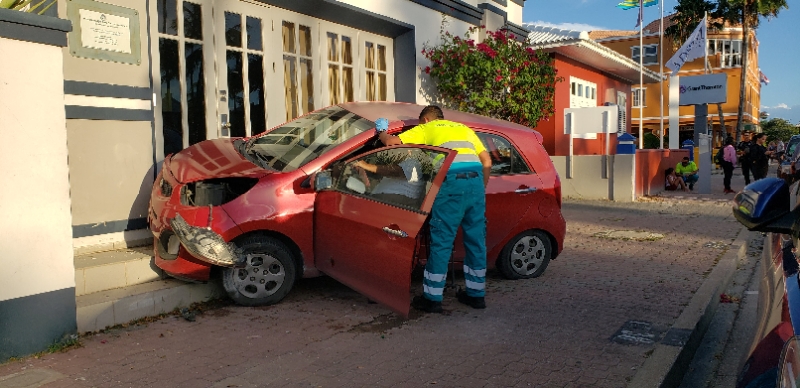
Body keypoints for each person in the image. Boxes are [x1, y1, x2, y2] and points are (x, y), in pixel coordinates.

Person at [376, 105, 492, 313]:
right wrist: (478, 190)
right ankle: (476, 296)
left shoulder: (428, 127)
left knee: (442, 241)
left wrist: (381, 131)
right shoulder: (464, 129)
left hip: (451, 183)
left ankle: (432, 298)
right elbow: (487, 161)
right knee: (476, 241)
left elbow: (392, 143)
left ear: (426, 119)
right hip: (475, 185)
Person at [352, 152, 425, 208]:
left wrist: (366, 166)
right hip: (387, 199)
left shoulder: (413, 162)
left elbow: (394, 172)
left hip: (398, 199)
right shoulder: (403, 162)